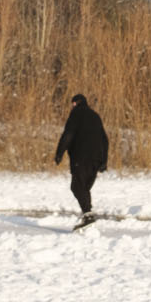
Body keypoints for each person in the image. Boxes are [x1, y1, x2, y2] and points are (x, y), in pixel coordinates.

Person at [54, 93, 110, 225]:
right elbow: (104, 139)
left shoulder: (76, 114)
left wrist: (59, 153)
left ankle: (88, 215)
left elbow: (68, 134)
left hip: (81, 158)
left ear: (75, 103)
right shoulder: (95, 116)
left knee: (76, 187)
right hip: (96, 159)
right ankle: (88, 216)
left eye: (72, 104)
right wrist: (104, 161)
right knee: (84, 188)